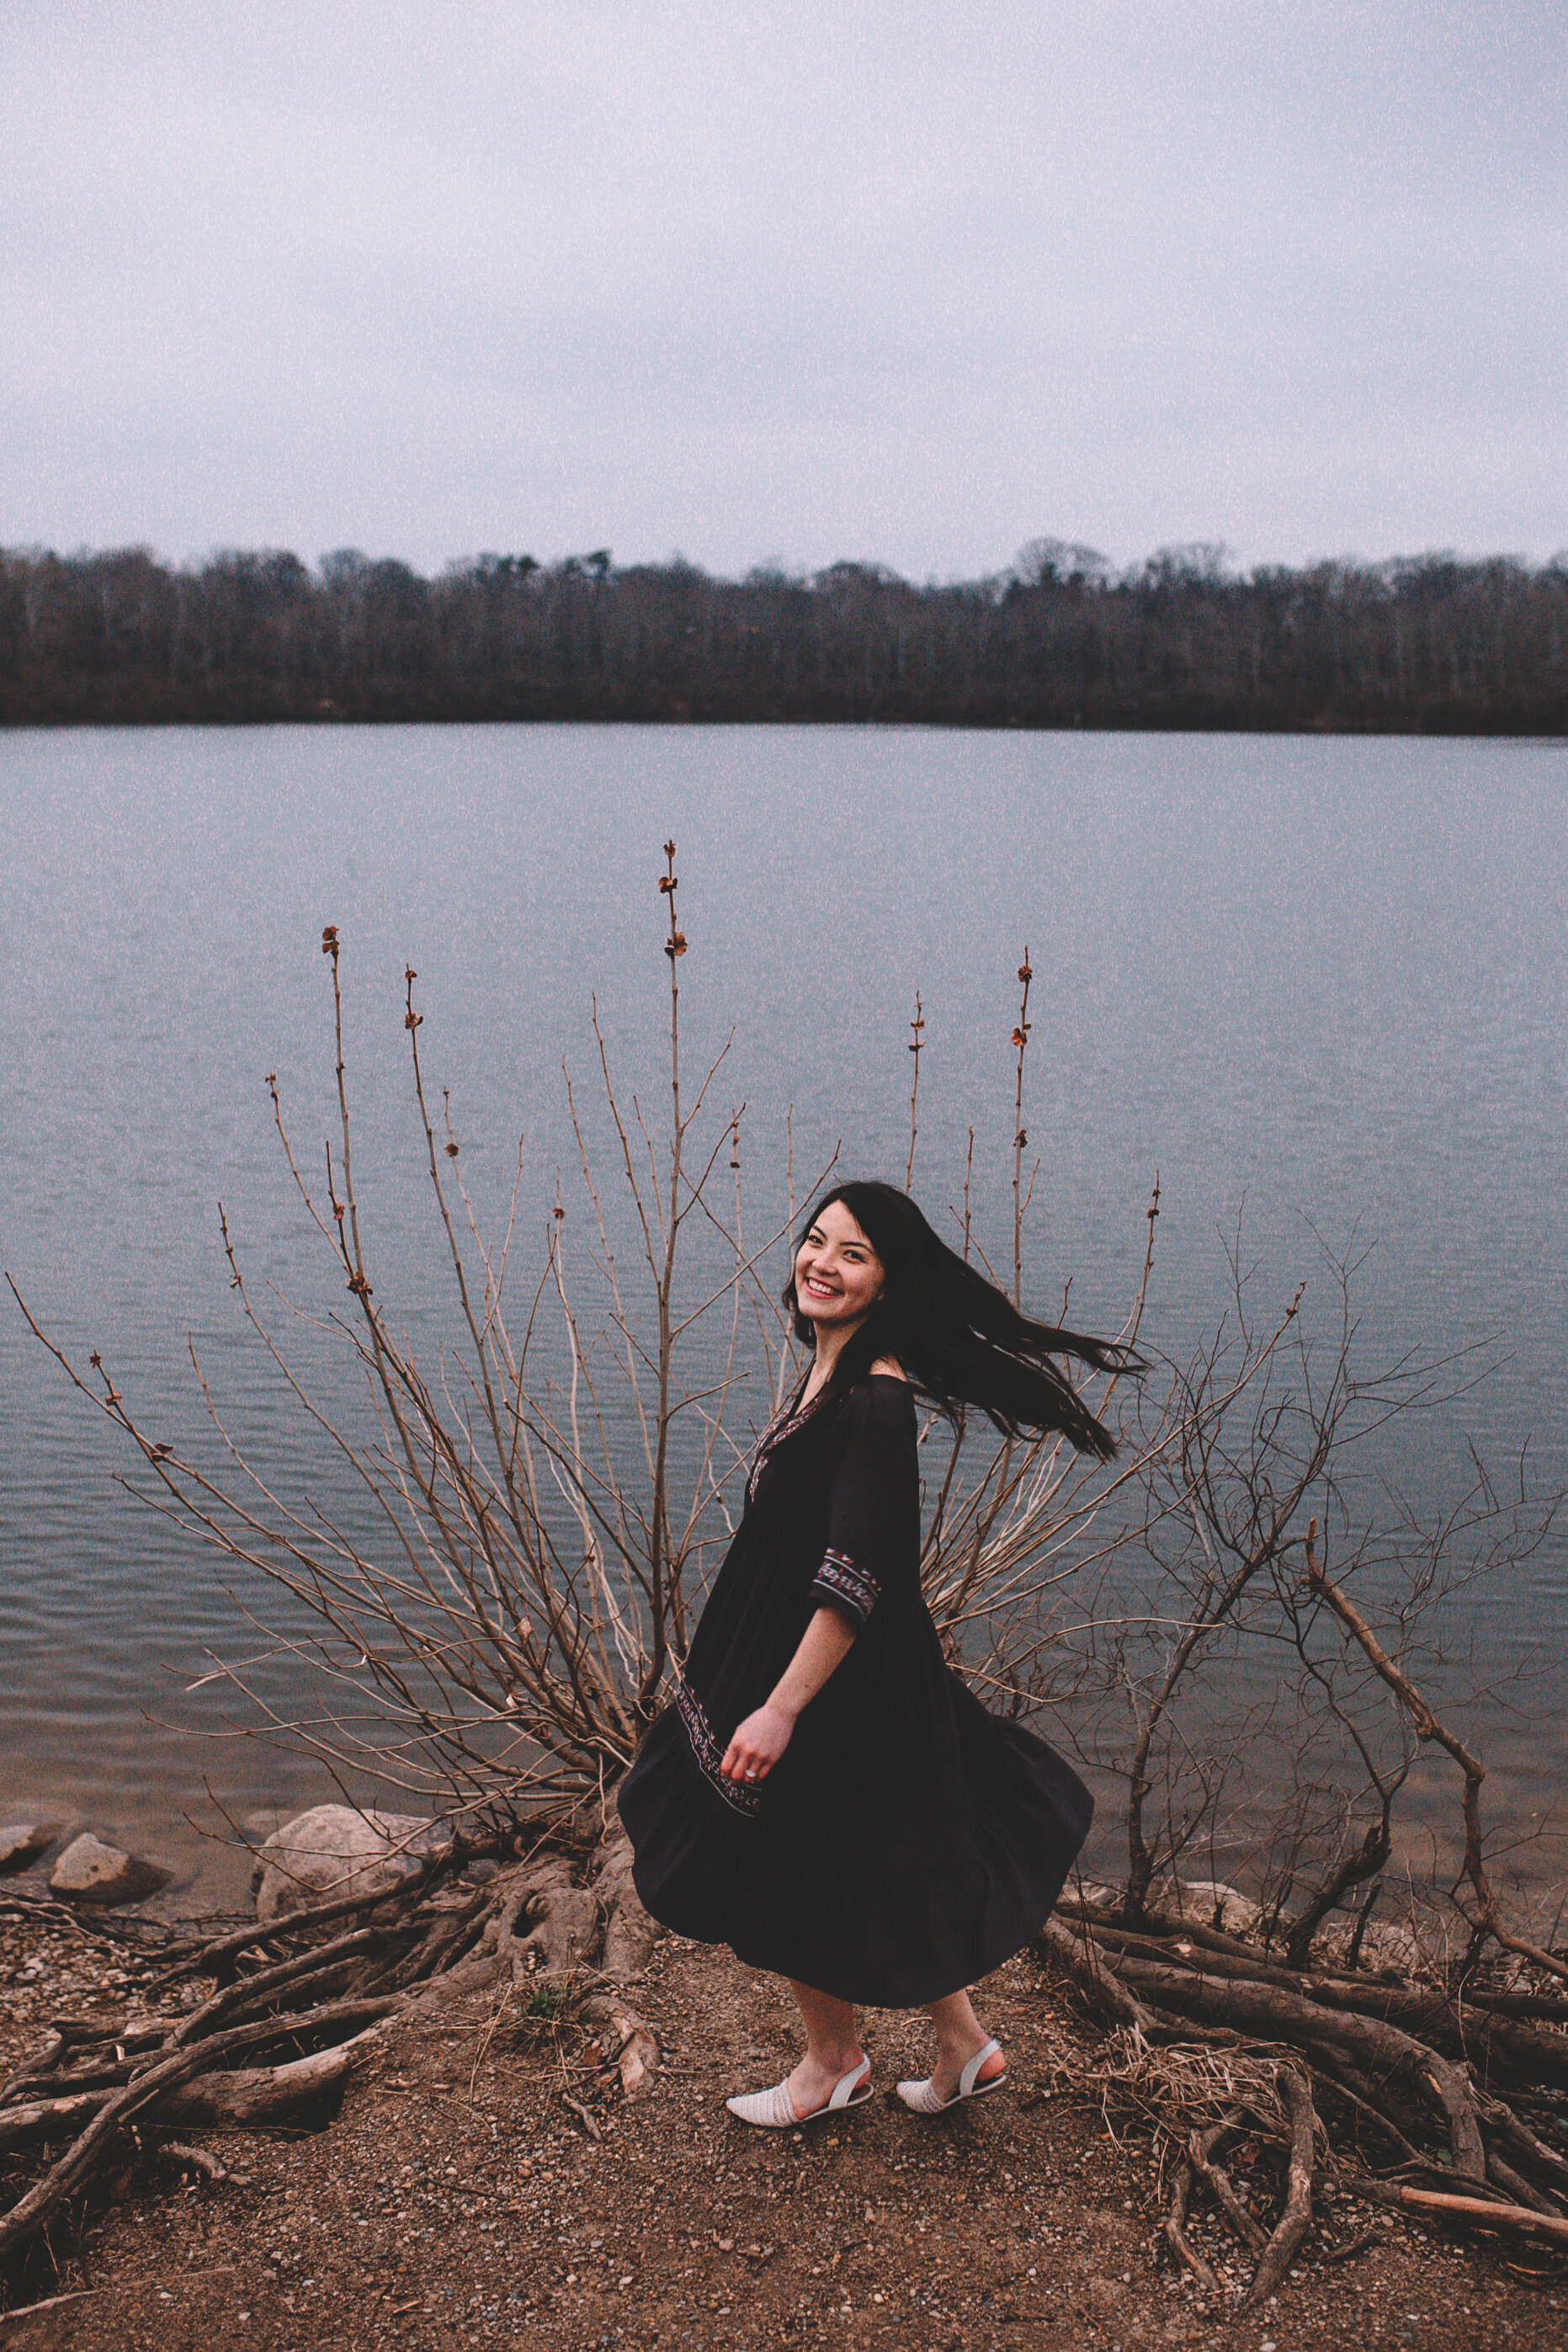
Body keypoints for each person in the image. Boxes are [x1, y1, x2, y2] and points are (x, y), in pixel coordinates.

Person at [617, 1179, 1129, 2127]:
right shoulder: (832, 1371)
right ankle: (964, 2046)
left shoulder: (875, 1406)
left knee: (797, 1859)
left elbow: (853, 1578)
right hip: (836, 1670)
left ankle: (831, 2064)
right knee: (878, 1849)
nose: (822, 1262)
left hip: (834, 1680)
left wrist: (779, 1708)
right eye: (816, 1240)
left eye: (852, 1253)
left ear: (887, 1282)